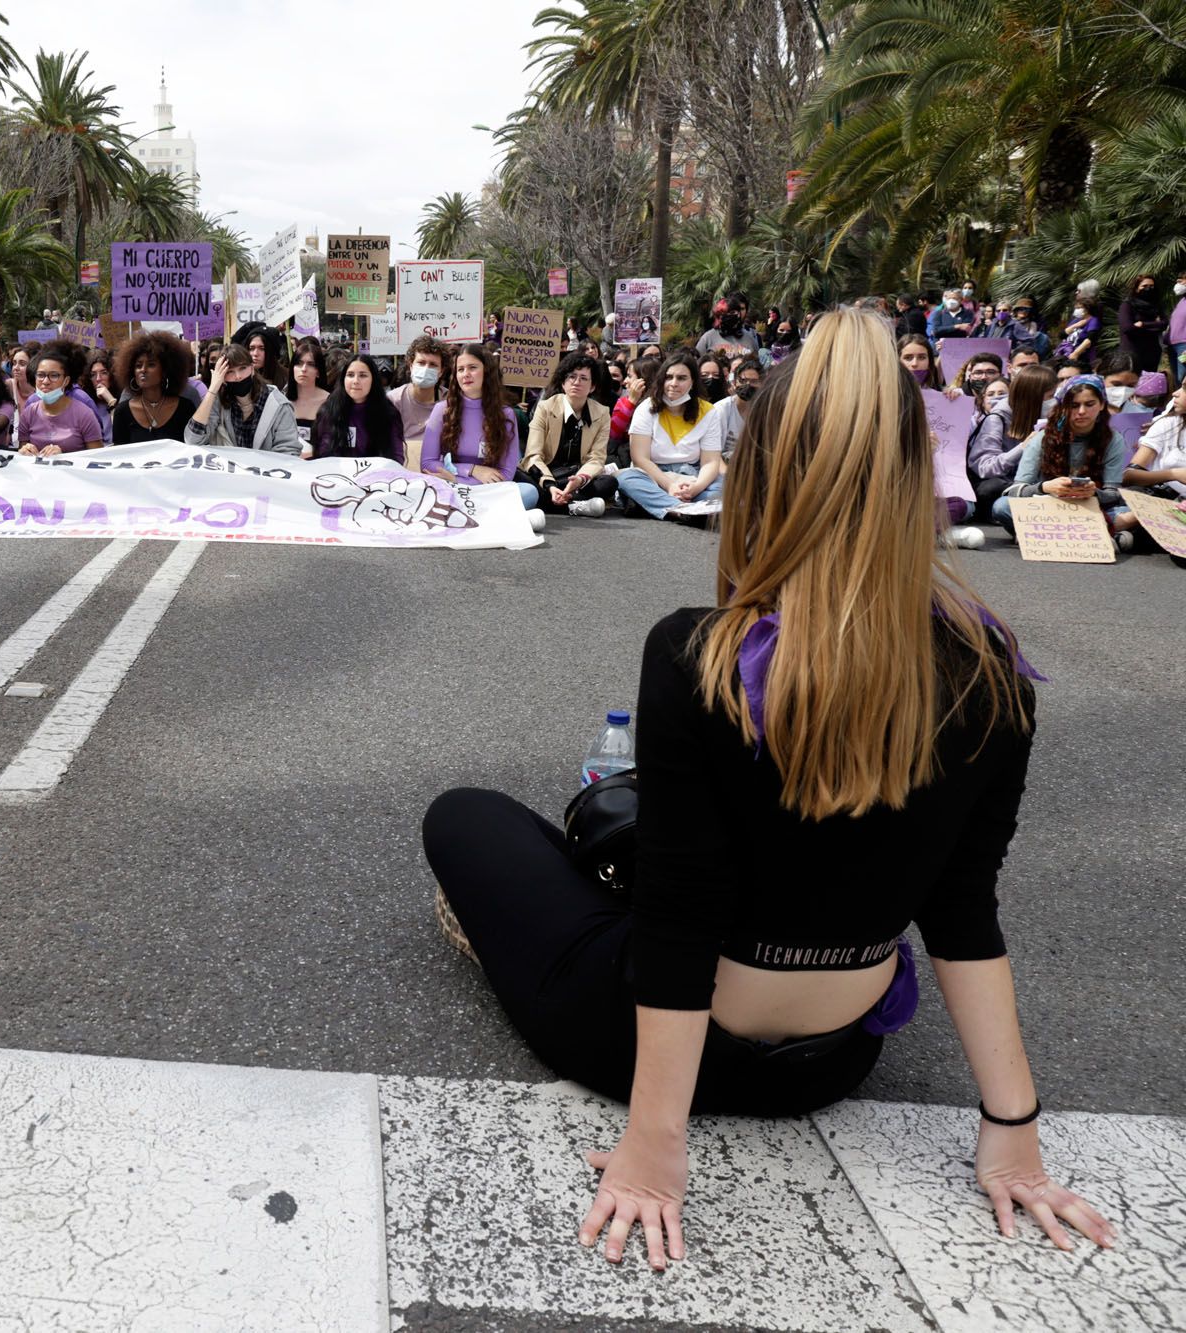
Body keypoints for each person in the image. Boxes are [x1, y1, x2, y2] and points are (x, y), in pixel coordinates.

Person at [423, 309, 1115, 1274]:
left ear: (765, 475)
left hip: (639, 1037)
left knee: (470, 817)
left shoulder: (695, 652)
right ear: (917, 476)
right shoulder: (993, 670)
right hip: (829, 1064)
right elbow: (962, 912)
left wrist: (654, 1150)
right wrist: (1015, 1127)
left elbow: (680, 916)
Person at [992, 374, 1134, 548]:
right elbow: (1014, 490)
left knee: (1132, 512)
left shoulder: (1113, 440)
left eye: (1089, 404)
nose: (1081, 412)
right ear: (1064, 408)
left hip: (1090, 507)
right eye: (1074, 405)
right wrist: (1045, 487)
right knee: (1001, 507)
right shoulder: (1043, 437)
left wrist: (1093, 492)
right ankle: (1101, 534)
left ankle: (1040, 534)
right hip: (1045, 507)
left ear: (1102, 405)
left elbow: (1113, 493)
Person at [619, 351, 721, 522]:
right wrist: (670, 486)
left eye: (681, 378)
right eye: (669, 377)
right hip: (654, 476)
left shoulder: (709, 411)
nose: (673, 384)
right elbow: (639, 459)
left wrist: (695, 488)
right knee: (625, 478)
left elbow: (710, 461)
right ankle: (682, 510)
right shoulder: (646, 408)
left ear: (693, 382)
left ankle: (661, 505)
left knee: (724, 485)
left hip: (693, 476)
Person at [421, 343, 526, 493]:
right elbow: (427, 463)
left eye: (472, 367)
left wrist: (466, 483)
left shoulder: (506, 414)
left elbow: (506, 473)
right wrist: (472, 470)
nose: (466, 374)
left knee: (528, 491)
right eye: (460, 369)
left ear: (487, 371)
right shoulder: (442, 410)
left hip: (489, 490)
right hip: (449, 486)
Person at [522, 353, 617, 516]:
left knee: (609, 482)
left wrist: (580, 479)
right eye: (571, 377)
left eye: (583, 378)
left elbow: (597, 458)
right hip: (546, 476)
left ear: (592, 386)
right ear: (563, 383)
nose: (576, 382)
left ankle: (558, 502)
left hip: (575, 477)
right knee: (520, 478)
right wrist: (550, 485)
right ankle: (574, 506)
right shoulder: (545, 407)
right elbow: (533, 456)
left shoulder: (602, 413)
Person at [185, 342, 301, 454]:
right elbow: (193, 440)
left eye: (242, 368)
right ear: (222, 377)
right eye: (230, 372)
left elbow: (288, 451)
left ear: (252, 369)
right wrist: (212, 389)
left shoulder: (278, 404)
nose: (238, 376)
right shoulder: (218, 401)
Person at [965, 366, 1047, 520]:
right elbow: (985, 467)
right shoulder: (996, 419)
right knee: (993, 493)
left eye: (1002, 394)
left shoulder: (1051, 418)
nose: (997, 398)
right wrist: (1023, 447)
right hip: (1006, 484)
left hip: (1039, 485)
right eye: (990, 394)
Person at [311, 353, 404, 462]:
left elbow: (396, 457)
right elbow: (323, 454)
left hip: (376, 476)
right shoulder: (329, 411)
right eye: (350, 375)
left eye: (363, 375)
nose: (355, 381)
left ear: (373, 380)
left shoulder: (388, 414)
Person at [14, 344, 103, 456]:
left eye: (54, 375)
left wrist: (63, 456)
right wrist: (25, 451)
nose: (45, 381)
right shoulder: (28, 414)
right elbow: (22, 457)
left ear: (66, 381)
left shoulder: (84, 415)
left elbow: (97, 459)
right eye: (40, 375)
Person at [109, 331, 194, 445]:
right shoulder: (122, 412)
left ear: (165, 370)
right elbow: (119, 455)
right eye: (138, 366)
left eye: (151, 364)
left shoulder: (185, 408)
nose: (143, 370)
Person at [388, 336, 450, 469]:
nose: (426, 368)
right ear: (411, 365)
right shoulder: (393, 400)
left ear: (441, 372)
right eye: (421, 363)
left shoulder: (450, 401)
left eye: (433, 365)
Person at [288, 341, 331, 458]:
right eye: (299, 363)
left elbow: (335, 441)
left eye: (311, 364)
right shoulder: (282, 402)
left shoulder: (330, 402)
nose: (304, 369)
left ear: (318, 371)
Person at [1118, 275, 1166, 374]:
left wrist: (1142, 324)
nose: (1148, 289)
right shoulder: (1127, 305)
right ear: (1136, 288)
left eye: (1151, 286)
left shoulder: (1156, 306)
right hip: (1132, 353)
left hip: (1152, 353)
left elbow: (1164, 324)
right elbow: (1127, 328)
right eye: (1144, 286)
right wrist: (1155, 324)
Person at [1169, 273, 1186, 384]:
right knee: (1176, 380)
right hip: (1173, 345)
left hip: (1184, 345)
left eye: (1181, 281)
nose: (1178, 284)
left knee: (1182, 378)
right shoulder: (1182, 300)